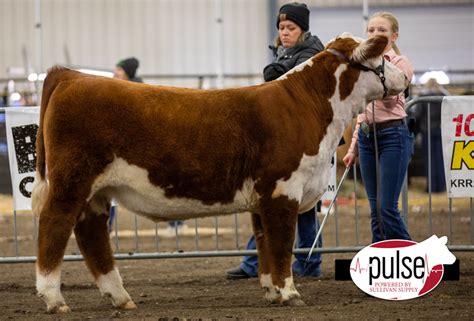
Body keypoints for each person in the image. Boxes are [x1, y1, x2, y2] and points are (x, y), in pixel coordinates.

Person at [226, 2, 325, 279]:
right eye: (281, 27)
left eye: (290, 27)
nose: (284, 32)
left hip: (305, 142)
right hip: (289, 140)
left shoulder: (312, 54)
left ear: (302, 29)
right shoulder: (286, 52)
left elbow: (275, 77)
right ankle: (265, 262)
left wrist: (279, 65)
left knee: (292, 206)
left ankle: (304, 262)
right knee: (278, 203)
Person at [343, 12, 414, 242]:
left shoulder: (400, 63)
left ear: (394, 36)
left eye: (382, 30)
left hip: (393, 135)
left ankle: (414, 257)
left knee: (387, 208)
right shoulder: (364, 65)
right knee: (376, 211)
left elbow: (392, 98)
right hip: (366, 138)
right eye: (371, 30)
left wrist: (376, 73)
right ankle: (382, 260)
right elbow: (363, 113)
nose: (375, 34)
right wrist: (353, 147)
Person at [414, 78, 449, 193]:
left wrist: (415, 131)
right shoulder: (444, 96)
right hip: (441, 130)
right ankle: (442, 186)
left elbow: (417, 115)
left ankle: (432, 187)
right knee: (441, 159)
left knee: (429, 159)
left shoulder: (422, 97)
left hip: (427, 131)